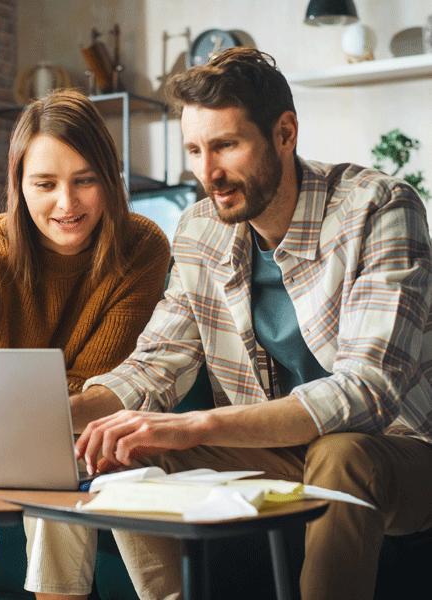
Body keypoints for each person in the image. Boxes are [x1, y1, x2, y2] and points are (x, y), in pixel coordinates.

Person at [73, 47, 432, 600]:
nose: (207, 172)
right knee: (125, 450)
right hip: (278, 455)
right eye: (194, 149)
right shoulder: (199, 230)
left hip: (400, 451)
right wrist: (55, 417)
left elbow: (367, 393)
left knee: (342, 453)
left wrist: (199, 425)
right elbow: (155, 365)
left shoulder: (379, 208)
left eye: (225, 146)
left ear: (285, 133)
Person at [0, 88, 171, 600]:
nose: (67, 203)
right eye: (45, 183)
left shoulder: (143, 247)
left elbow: (99, 382)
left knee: (65, 459)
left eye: (85, 181)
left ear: (110, 178)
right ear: (18, 185)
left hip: (74, 424)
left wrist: (17, 414)